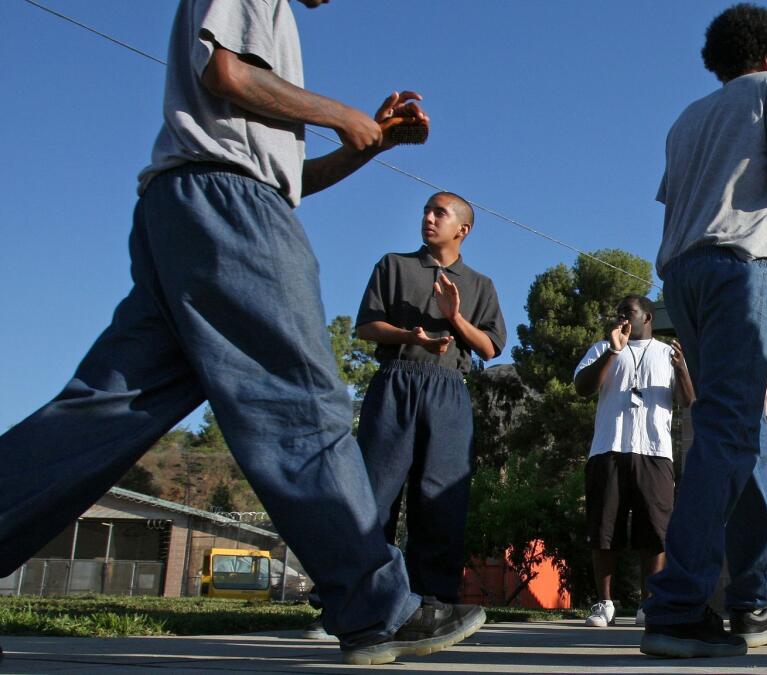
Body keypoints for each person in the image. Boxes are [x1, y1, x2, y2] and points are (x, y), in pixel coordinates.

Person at [0, 0, 482, 666]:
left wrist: (364, 144)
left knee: (103, 412)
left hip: (194, 207)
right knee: (302, 405)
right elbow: (224, 72)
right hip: (229, 211)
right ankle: (377, 606)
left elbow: (286, 178)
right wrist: (340, 113)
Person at [641, 3, 767, 659]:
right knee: (728, 432)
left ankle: (755, 599)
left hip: (682, 277)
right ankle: (677, 606)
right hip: (737, 268)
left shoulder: (684, 120)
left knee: (740, 430)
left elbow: (677, 200)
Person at [354, 192, 506, 603]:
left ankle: (432, 602)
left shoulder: (479, 285)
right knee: (374, 490)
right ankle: (358, 599)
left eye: (440, 212)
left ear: (463, 229)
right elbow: (366, 326)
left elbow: (491, 348)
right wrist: (408, 335)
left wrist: (455, 317)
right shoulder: (394, 265)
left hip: (448, 391)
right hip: (395, 382)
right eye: (425, 210)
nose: (428, 218)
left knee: (441, 498)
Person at [573, 296, 695, 628]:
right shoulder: (603, 348)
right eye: (619, 313)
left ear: (648, 317)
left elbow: (688, 401)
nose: (622, 317)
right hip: (608, 451)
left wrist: (683, 367)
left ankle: (650, 603)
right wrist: (613, 351)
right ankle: (604, 604)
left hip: (654, 453)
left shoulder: (667, 353)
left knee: (654, 532)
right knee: (604, 529)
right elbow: (582, 387)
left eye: (629, 312)